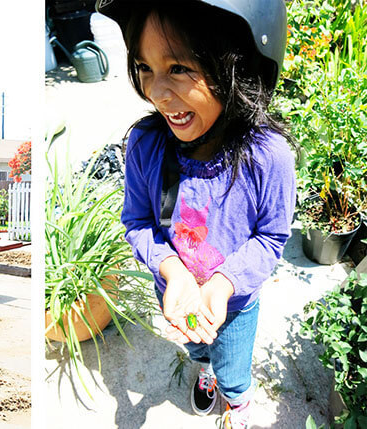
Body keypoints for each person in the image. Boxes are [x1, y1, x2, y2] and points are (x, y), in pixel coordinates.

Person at [103, 0, 295, 428]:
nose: (155, 91)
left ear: (238, 66)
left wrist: (224, 284)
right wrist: (173, 272)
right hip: (177, 289)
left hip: (236, 302)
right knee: (196, 347)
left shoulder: (268, 157)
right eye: (144, 67)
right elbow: (137, 221)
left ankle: (236, 402)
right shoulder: (146, 144)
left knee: (233, 365)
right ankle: (205, 369)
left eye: (177, 68)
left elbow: (272, 236)